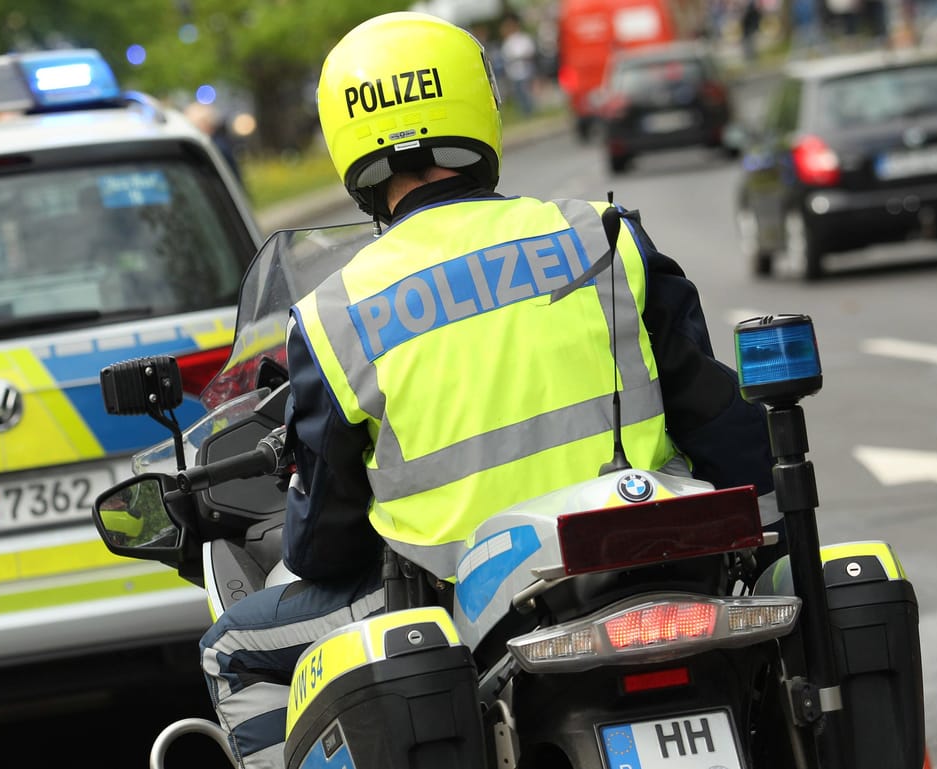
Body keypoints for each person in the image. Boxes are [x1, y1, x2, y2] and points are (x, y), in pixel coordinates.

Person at [197, 12, 777, 769]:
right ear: (480, 106)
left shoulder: (335, 315)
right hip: (657, 557)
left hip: (452, 595)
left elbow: (327, 544)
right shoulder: (603, 237)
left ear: (347, 136)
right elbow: (726, 427)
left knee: (233, 647)